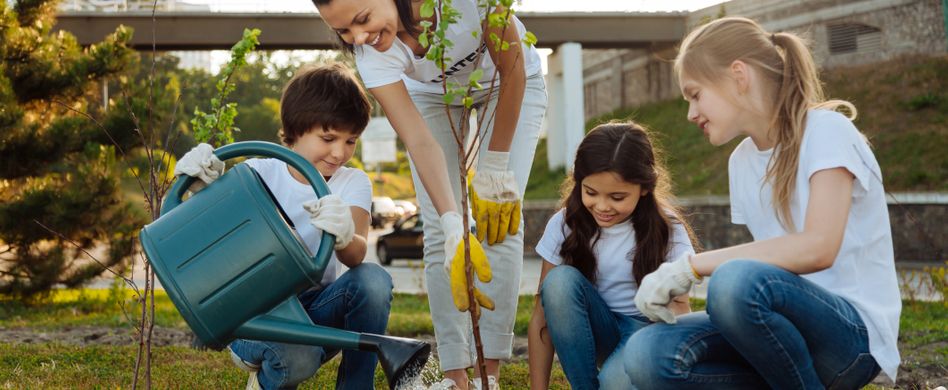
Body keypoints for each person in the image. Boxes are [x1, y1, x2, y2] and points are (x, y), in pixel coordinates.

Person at [622, 16, 902, 389]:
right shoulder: (741, 161)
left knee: (734, 281)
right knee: (646, 354)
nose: (690, 113)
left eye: (695, 94)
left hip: (851, 337)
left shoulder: (827, 132)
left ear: (738, 76)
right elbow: (771, 270)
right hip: (784, 342)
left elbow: (818, 248)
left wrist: (688, 267)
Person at [314, 0, 547, 388]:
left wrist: (494, 169)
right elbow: (421, 142)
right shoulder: (371, 55)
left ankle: (487, 375)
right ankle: (457, 377)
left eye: (361, 20)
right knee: (441, 232)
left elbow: (513, 71)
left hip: (505, 84)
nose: (359, 38)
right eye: (343, 33)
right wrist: (453, 220)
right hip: (429, 97)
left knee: (499, 222)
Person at [175, 63, 393, 390]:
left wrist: (344, 235)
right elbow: (211, 242)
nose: (339, 153)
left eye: (351, 141)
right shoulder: (258, 173)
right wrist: (201, 187)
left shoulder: (352, 182)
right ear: (295, 129)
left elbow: (356, 254)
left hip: (314, 311)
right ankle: (267, 376)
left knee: (374, 280)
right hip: (254, 316)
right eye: (328, 137)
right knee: (298, 358)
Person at [527, 122, 698, 390]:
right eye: (591, 193)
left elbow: (679, 310)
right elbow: (542, 316)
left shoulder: (668, 229)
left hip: (647, 332)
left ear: (644, 188)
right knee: (558, 282)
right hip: (595, 331)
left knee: (613, 384)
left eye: (617, 197)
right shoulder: (565, 224)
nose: (603, 206)